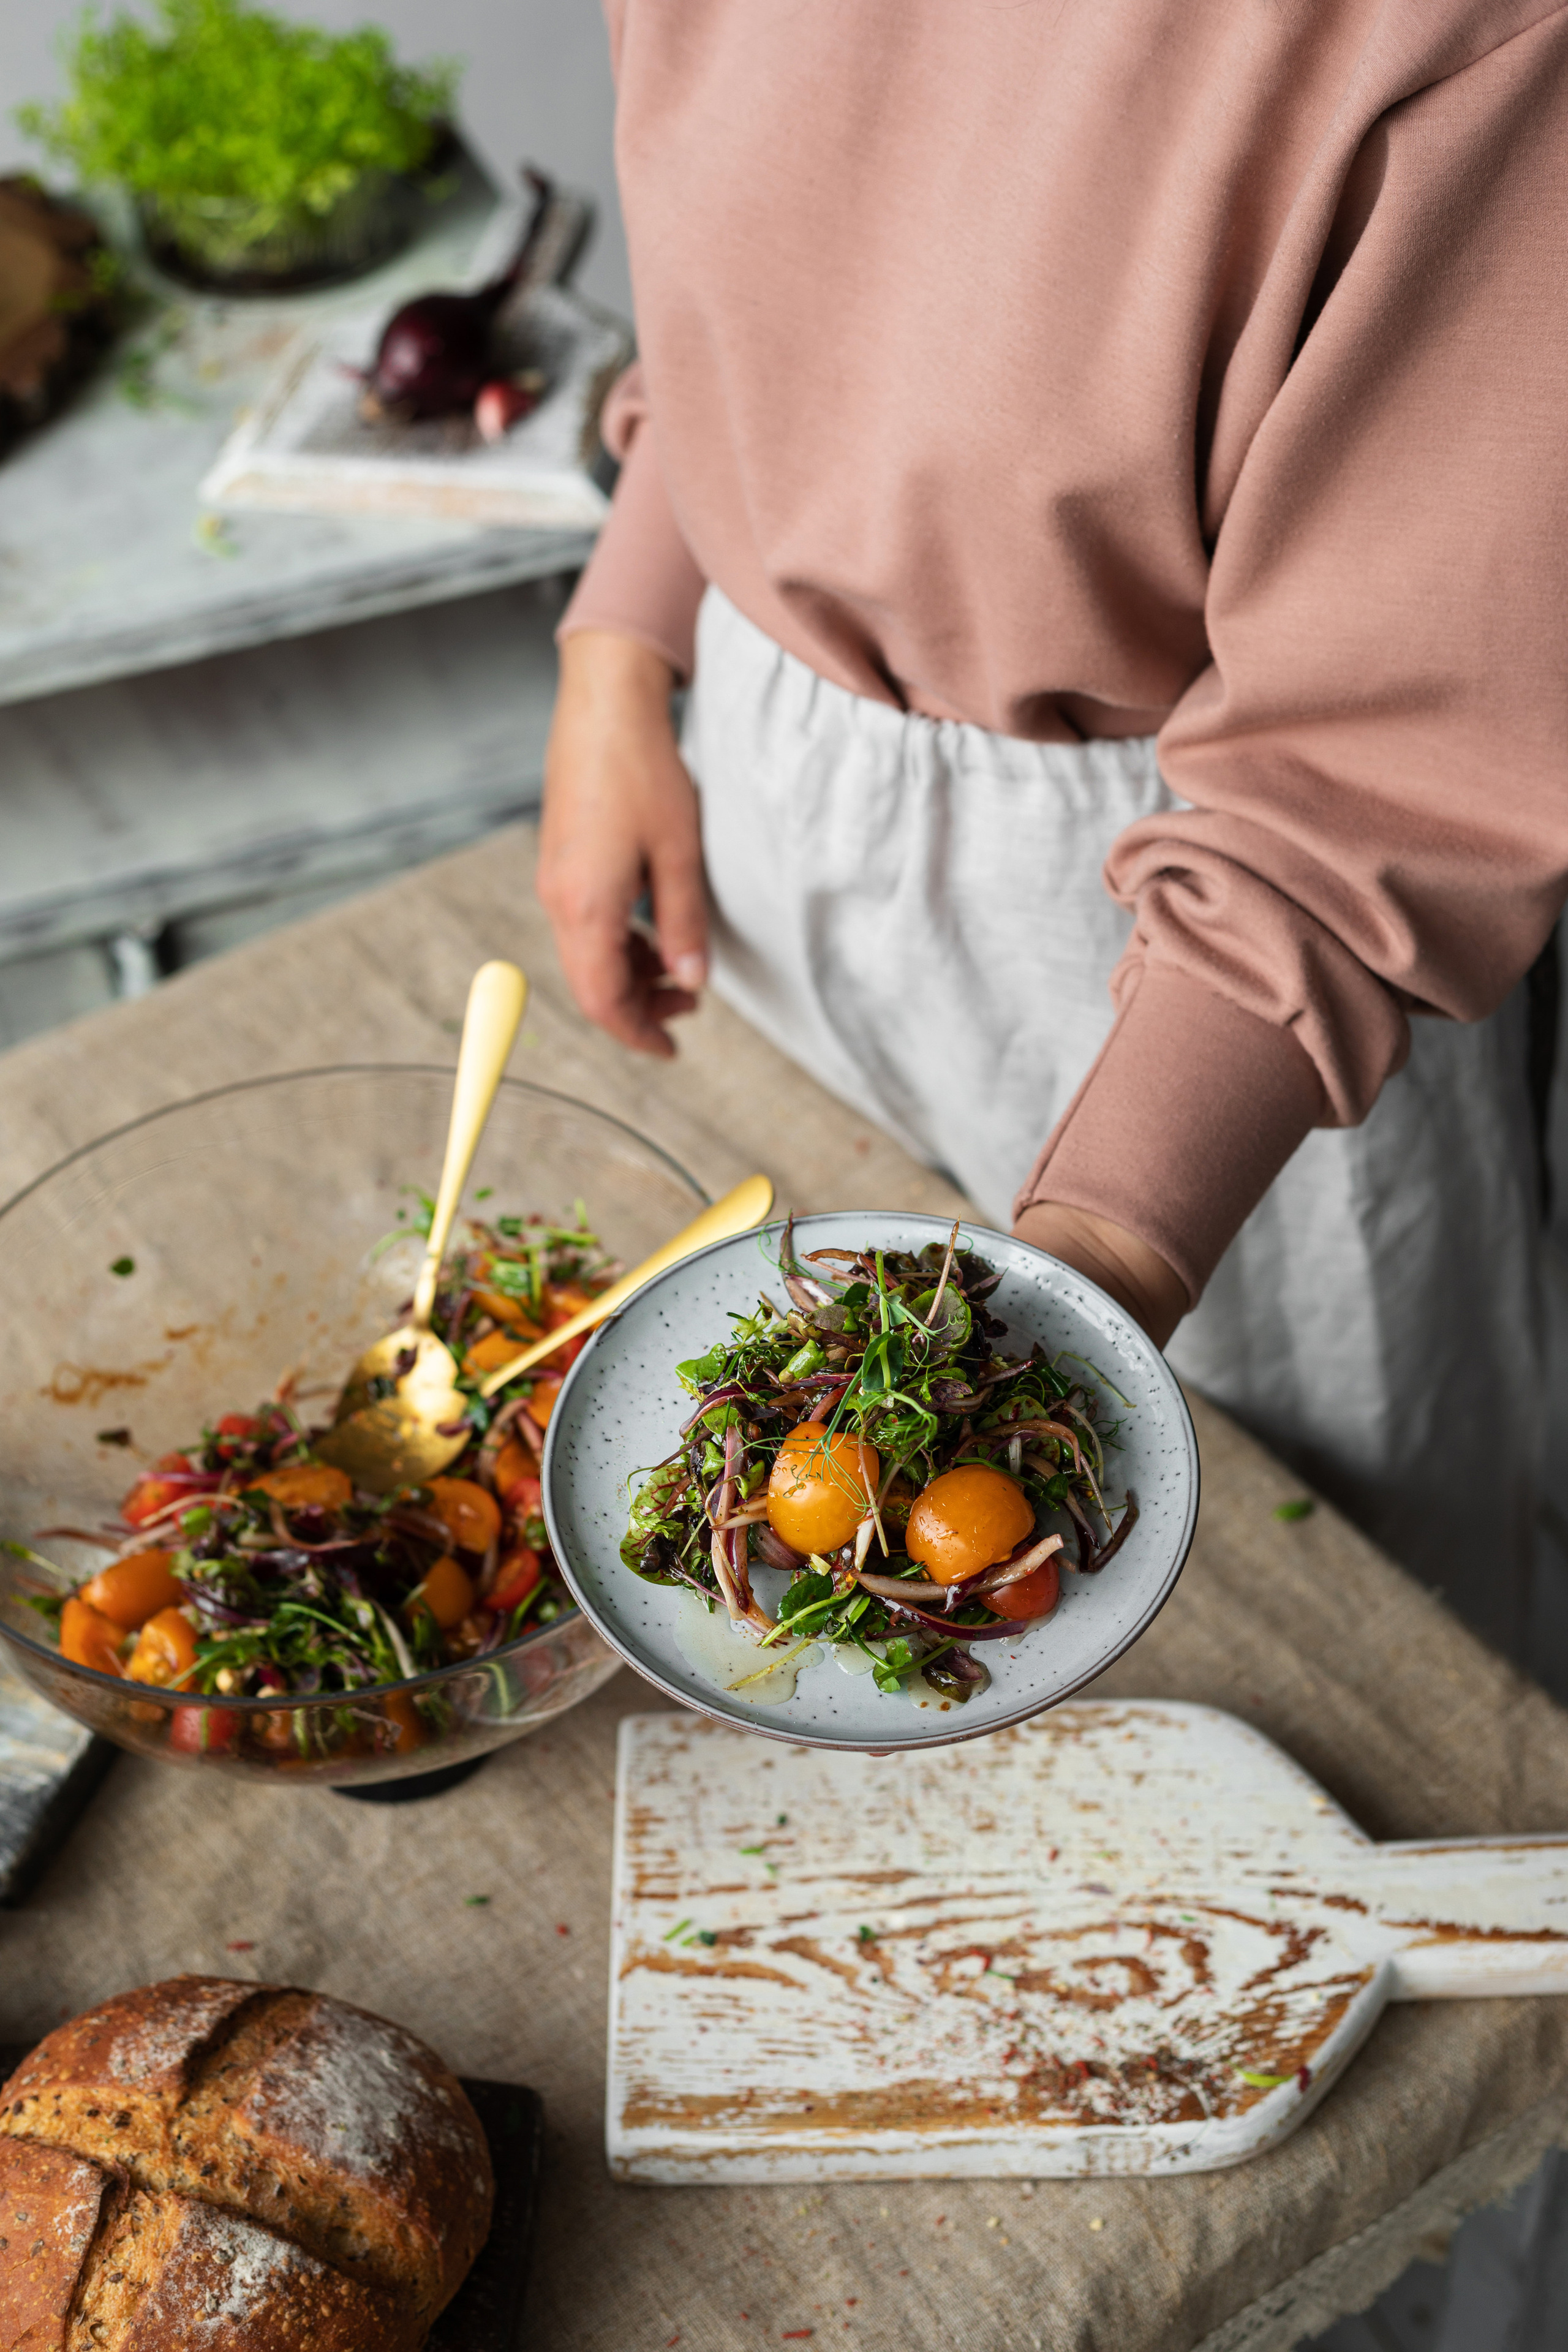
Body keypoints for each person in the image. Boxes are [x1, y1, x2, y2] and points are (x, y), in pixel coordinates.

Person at [537, 0, 1568, 1658]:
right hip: (757, 782)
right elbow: (777, 249)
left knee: (1352, 1612)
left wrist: (1093, 1250)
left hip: (1207, 939)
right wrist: (627, 638)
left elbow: (1398, 751)